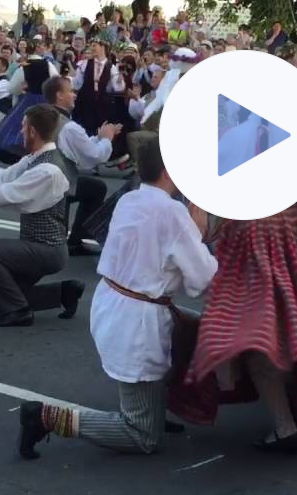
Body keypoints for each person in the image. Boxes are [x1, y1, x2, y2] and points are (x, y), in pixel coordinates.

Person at [172, 101, 297, 454]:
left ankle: (284, 421)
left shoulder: (234, 135)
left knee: (254, 327)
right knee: (289, 325)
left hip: (251, 234)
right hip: (292, 233)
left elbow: (211, 187)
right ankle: (289, 414)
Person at [16, 133, 217, 459]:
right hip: (136, 325)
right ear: (169, 172)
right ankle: (45, 417)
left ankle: (156, 405)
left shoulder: (131, 199)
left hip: (113, 308)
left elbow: (155, 254)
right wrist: (200, 232)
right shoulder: (173, 213)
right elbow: (202, 280)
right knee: (143, 437)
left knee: (194, 329)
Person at [0, 104, 86, 327]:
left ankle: (19, 312)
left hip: (46, 251)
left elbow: (2, 195)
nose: (21, 132)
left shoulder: (48, 170)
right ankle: (64, 292)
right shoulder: (37, 158)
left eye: (23, 127)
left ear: (33, 131)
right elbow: (5, 177)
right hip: (37, 247)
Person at [45, 76, 118, 256]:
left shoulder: (44, 116)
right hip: (60, 183)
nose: (75, 95)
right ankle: (76, 239)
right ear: (59, 95)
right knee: (97, 188)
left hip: (43, 177)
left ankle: (72, 238)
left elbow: (75, 147)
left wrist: (98, 138)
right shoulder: (69, 127)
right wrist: (107, 139)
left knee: (93, 186)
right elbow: (93, 157)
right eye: (70, 91)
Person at [72, 40, 124, 135]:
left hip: (102, 107)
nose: (92, 48)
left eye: (94, 46)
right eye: (91, 46)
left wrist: (120, 78)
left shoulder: (111, 67)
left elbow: (118, 88)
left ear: (102, 47)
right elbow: (77, 85)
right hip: (85, 104)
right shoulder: (84, 64)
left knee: (99, 132)